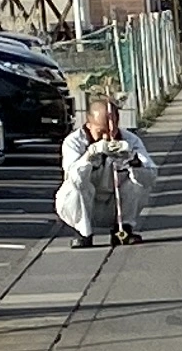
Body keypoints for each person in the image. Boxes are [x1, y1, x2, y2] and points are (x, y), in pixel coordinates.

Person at [57, 92, 156, 249]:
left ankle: (123, 230)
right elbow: (75, 179)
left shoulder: (130, 140)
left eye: (112, 129)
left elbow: (150, 177)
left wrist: (133, 161)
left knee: (137, 184)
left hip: (114, 205)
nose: (107, 136)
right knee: (74, 187)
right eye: (101, 131)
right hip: (84, 205)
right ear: (88, 123)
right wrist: (89, 155)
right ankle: (83, 233)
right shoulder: (73, 142)